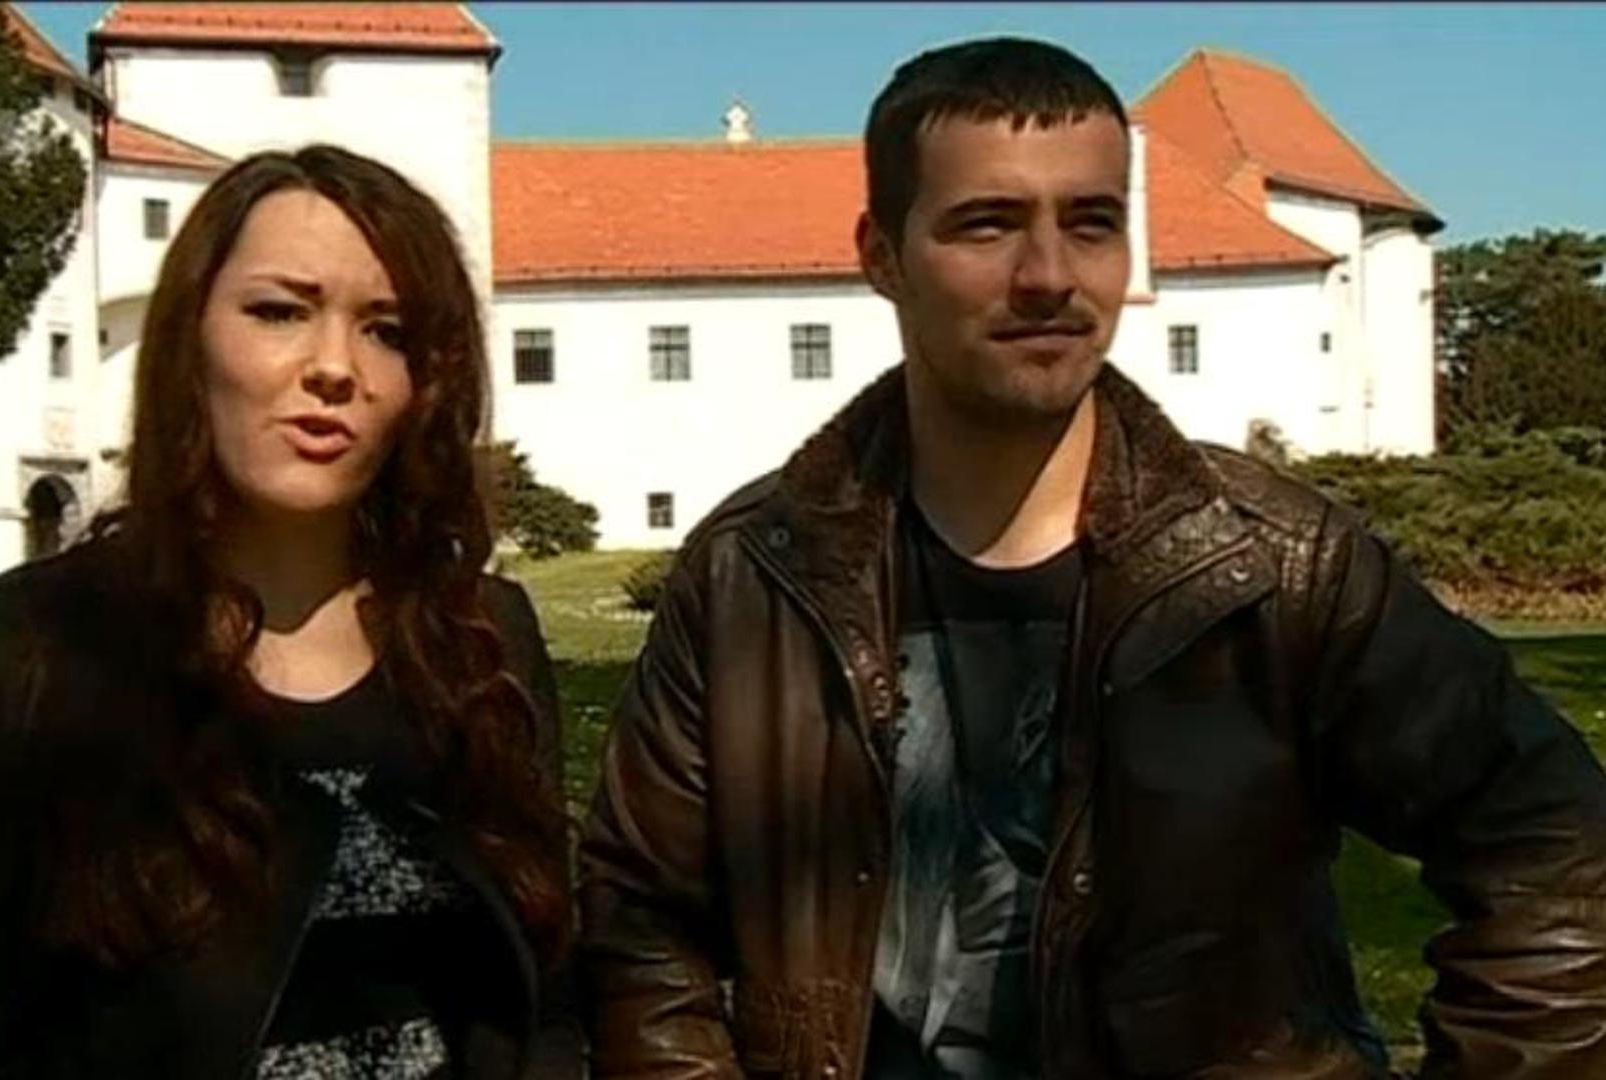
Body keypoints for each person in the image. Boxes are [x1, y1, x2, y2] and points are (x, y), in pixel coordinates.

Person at [578, 37, 1606, 1079]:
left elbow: (1558, 852)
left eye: (1092, 223)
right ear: (881, 257)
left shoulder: (1276, 569)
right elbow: (641, 926)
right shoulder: (753, 577)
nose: (1049, 276)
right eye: (987, 224)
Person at [0, 144, 576, 1079]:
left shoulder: (480, 640)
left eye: (387, 331)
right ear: (189, 340)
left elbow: (545, 1000)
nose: (335, 368)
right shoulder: (14, 655)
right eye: (279, 311)